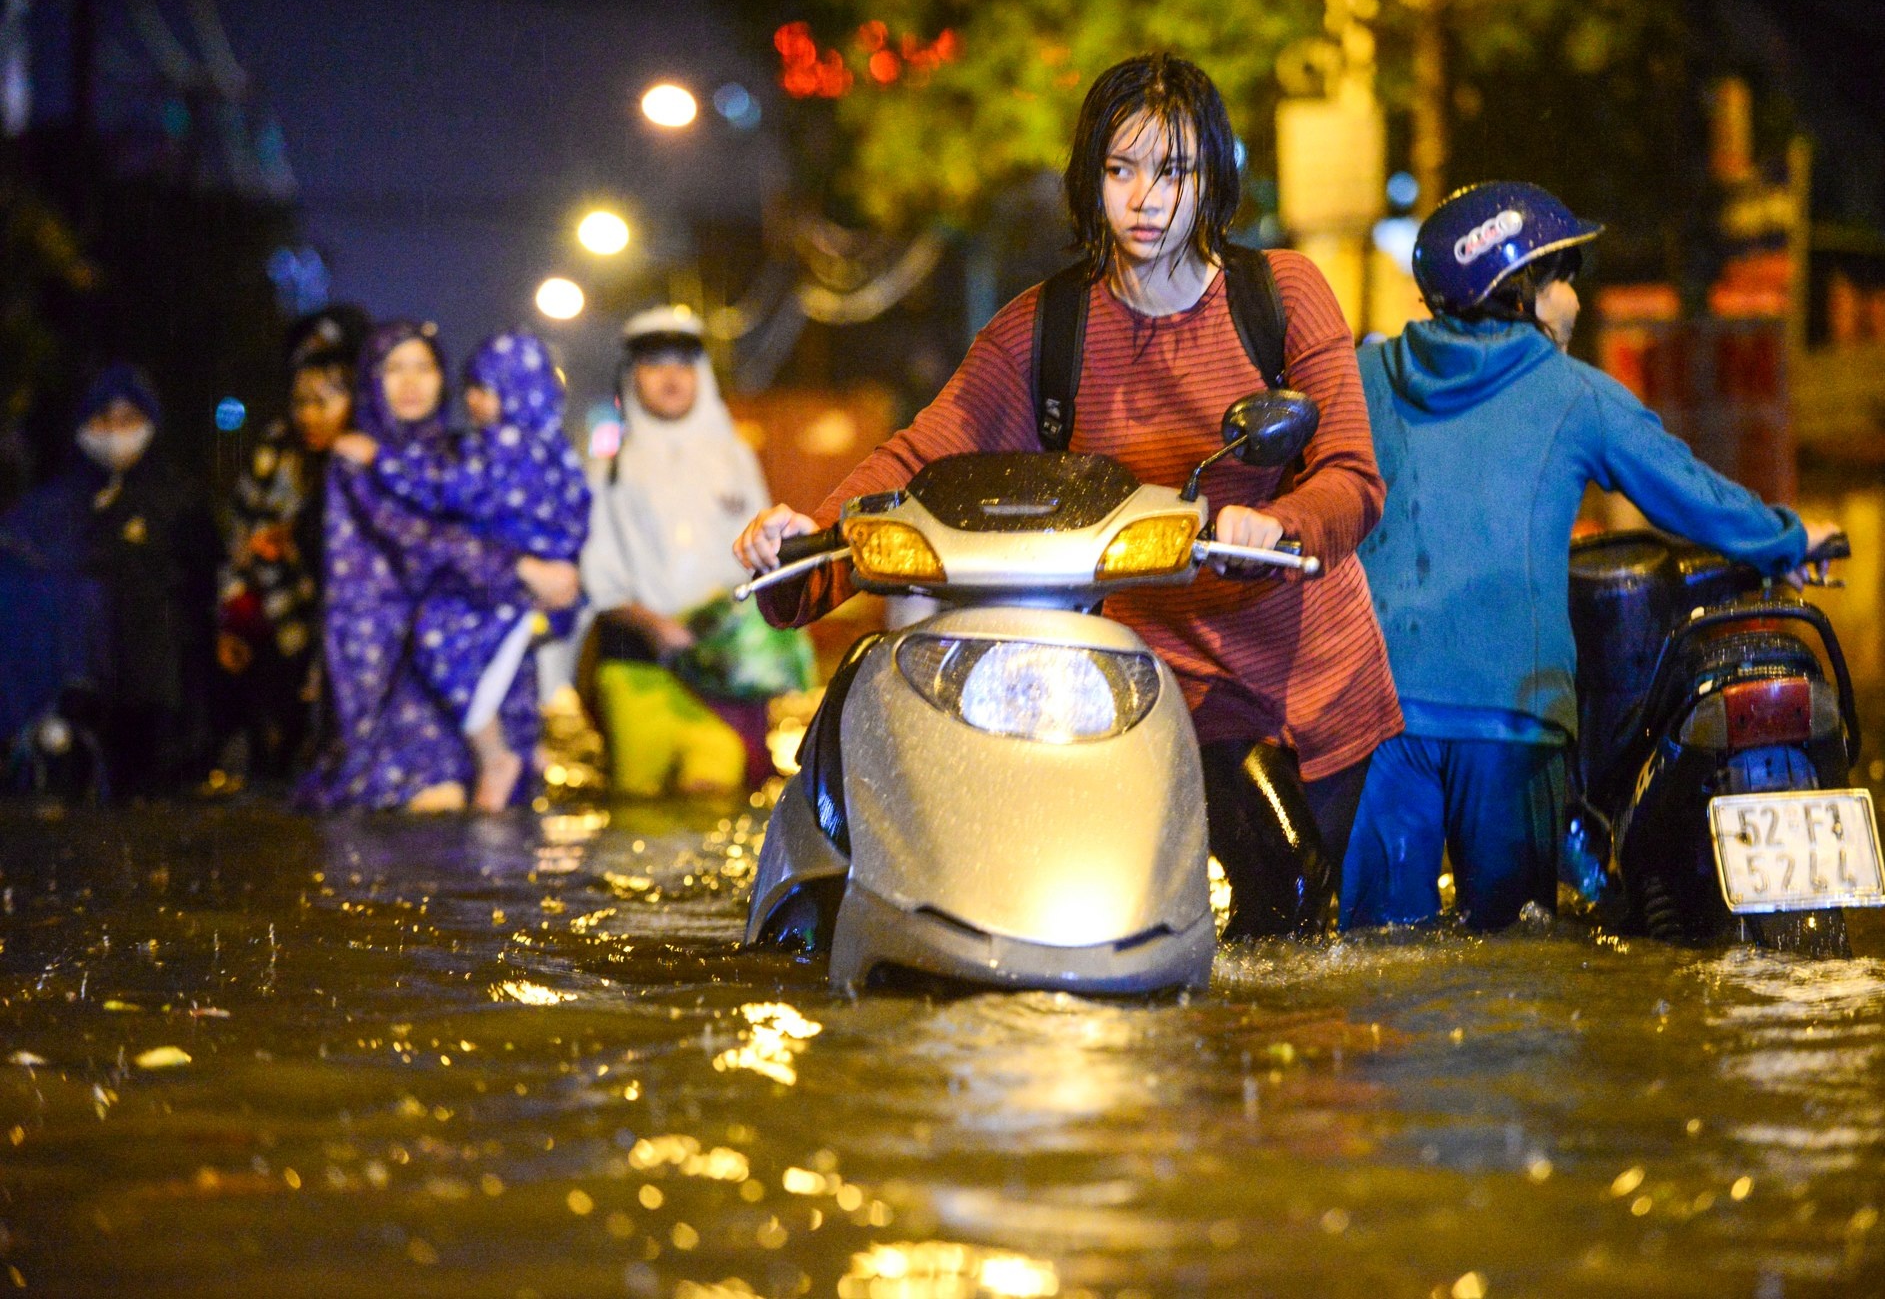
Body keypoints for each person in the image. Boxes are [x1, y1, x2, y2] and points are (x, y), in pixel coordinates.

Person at [734, 54, 1401, 935]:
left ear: (1213, 178)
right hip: (1128, 691)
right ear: (1089, 179)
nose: (1146, 198)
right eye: (1120, 170)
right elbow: (920, 456)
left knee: (1299, 936)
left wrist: (1277, 524)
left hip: (1307, 692)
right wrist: (806, 542)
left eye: (1174, 171)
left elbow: (1351, 476)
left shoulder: (1280, 294)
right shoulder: (1045, 328)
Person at [1340, 181, 1841, 932]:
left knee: (1375, 965)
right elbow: (1687, 492)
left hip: (1376, 719)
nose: (1574, 299)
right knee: (1515, 963)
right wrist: (1787, 537)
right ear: (1522, 294)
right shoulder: (1571, 393)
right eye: (1563, 278)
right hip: (1513, 723)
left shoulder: (1363, 376)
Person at [303, 321, 577, 813]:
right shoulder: (355, 458)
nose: (411, 383)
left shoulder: (463, 455)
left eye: (424, 368)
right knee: (425, 809)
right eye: (394, 369)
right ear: (371, 379)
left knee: (499, 824)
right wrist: (521, 569)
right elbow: (413, 538)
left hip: (467, 649)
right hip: (388, 659)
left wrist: (551, 572)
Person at [574, 306, 809, 797]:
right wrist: (657, 627)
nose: (670, 378)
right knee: (639, 813)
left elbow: (766, 552)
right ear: (632, 377)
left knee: (716, 791)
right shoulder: (608, 471)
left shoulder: (736, 457)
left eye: (683, 364)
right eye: (655, 364)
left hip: (725, 672)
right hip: (636, 669)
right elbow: (598, 576)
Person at [0, 364, 220, 797]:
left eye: (128, 421)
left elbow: (203, 590)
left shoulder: (176, 500)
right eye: (103, 420)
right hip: (73, 689)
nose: (115, 433)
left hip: (154, 694)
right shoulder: (55, 503)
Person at [216, 305, 370, 780]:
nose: (308, 414)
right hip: (282, 628)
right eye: (300, 399)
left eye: (324, 397)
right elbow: (241, 537)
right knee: (275, 752)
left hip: (352, 632)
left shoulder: (372, 456)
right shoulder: (276, 450)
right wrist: (235, 617)